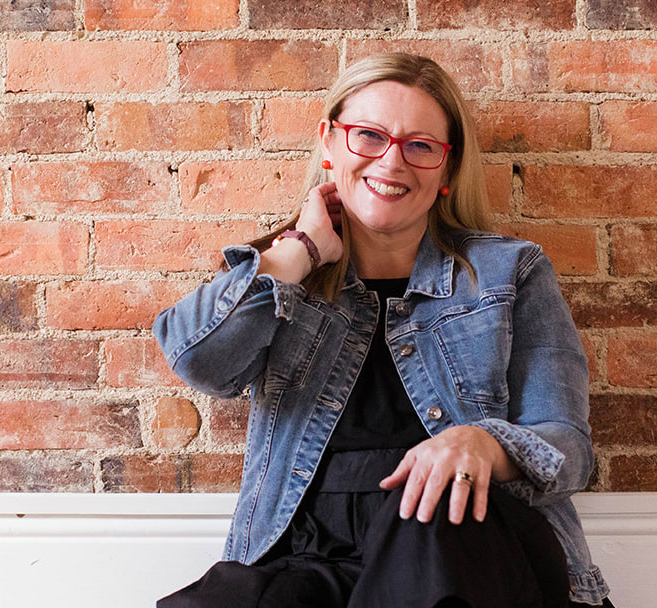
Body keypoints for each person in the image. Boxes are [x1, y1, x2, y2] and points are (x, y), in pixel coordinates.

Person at [153, 52, 612, 607]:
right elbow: (197, 360)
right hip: (308, 554)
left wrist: (482, 443)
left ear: (446, 170)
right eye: (368, 136)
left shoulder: (510, 273)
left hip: (459, 543)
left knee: (435, 521)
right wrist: (298, 253)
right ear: (329, 142)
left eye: (420, 146)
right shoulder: (276, 279)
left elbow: (569, 448)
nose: (392, 162)